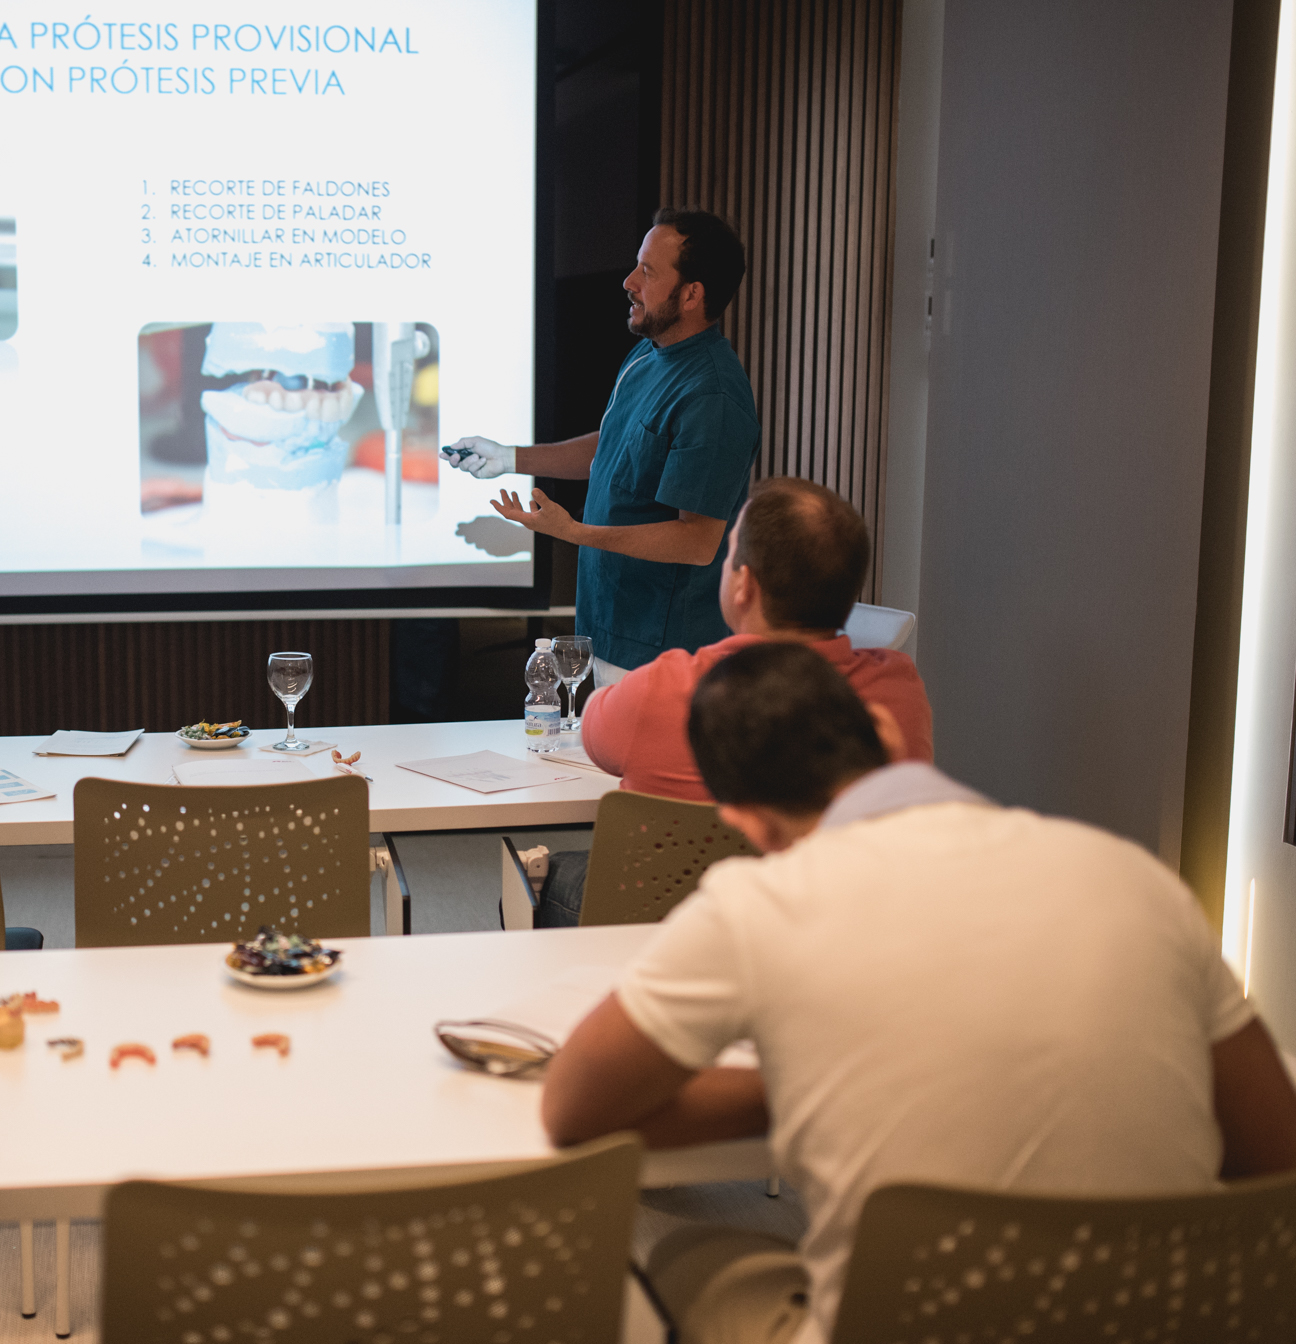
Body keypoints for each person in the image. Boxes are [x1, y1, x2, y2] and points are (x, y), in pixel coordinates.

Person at [539, 642, 1296, 1344]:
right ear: (885, 733)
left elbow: (574, 1108)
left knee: (690, 1255)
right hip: (1166, 1321)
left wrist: (790, 1087)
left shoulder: (759, 906)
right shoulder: (1138, 879)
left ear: (746, 823)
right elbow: (1275, 1154)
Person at [444, 208, 760, 684]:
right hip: (609, 628)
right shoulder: (648, 355)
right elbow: (612, 450)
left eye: (648, 271)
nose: (629, 281)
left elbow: (697, 541)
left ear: (692, 294)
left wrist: (574, 531)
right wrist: (509, 457)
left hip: (664, 649)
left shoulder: (712, 395)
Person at [581, 475, 934, 800]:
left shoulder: (657, 690)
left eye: (730, 551)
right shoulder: (898, 689)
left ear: (744, 585)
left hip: (687, 871)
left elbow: (593, 733)